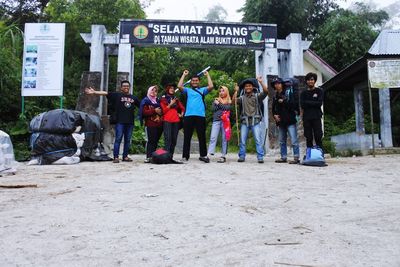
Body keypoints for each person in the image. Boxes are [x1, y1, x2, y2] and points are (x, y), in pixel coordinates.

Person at [85, 80, 140, 163]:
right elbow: (105, 93)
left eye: (127, 86)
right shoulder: (117, 95)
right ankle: (116, 157)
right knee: (118, 139)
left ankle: (125, 156)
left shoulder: (134, 98)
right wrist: (94, 92)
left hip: (130, 122)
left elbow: (141, 106)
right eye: (124, 86)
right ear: (121, 87)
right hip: (120, 122)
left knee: (127, 140)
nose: (126, 87)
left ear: (129, 87)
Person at [177, 69, 214, 163]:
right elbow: (179, 86)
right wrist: (184, 75)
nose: (194, 82)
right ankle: (185, 156)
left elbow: (211, 86)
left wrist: (207, 75)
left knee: (202, 136)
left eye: (196, 80)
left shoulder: (202, 90)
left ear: (199, 82)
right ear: (191, 82)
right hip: (188, 115)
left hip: (200, 116)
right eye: (193, 81)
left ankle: (203, 155)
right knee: (187, 137)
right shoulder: (188, 90)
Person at [233, 76, 268, 163]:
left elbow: (266, 92)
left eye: (249, 86)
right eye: (246, 86)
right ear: (244, 88)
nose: (248, 87)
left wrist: (261, 82)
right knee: (242, 140)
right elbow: (233, 101)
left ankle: (260, 157)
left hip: (255, 121)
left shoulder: (257, 96)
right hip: (244, 121)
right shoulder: (242, 97)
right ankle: (241, 156)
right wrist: (236, 91)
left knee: (258, 140)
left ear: (253, 87)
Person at [271, 78, 300, 164]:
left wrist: (283, 101)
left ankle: (296, 158)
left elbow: (293, 105)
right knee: (281, 141)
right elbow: (273, 108)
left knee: (294, 140)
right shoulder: (275, 95)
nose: (277, 85)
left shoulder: (288, 93)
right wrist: (274, 115)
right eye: (275, 84)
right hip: (281, 121)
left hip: (290, 120)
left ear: (282, 84)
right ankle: (283, 157)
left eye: (278, 83)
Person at [207, 85, 232, 163]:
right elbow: (213, 109)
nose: (221, 92)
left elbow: (227, 108)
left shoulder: (229, 101)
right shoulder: (216, 99)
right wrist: (221, 105)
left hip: (225, 121)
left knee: (224, 139)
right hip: (216, 120)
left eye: (223, 91)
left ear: (226, 92)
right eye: (220, 91)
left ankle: (223, 156)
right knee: (213, 137)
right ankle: (209, 154)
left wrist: (219, 104)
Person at [139, 86, 163, 163]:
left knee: (155, 141)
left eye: (155, 91)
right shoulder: (145, 101)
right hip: (150, 124)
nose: (153, 92)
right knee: (151, 141)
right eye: (152, 90)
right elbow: (144, 112)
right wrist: (154, 110)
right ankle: (148, 157)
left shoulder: (158, 101)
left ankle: (153, 156)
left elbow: (163, 111)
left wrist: (160, 112)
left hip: (159, 124)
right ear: (149, 91)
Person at [160, 83, 185, 157]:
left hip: (176, 121)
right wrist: (170, 104)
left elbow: (183, 108)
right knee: (168, 139)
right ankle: (166, 156)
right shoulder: (163, 99)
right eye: (170, 88)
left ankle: (171, 156)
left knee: (174, 140)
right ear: (167, 89)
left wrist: (181, 114)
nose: (172, 89)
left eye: (173, 88)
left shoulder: (176, 99)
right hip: (167, 120)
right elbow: (163, 111)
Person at [300, 72, 324, 149]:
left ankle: (320, 155)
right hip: (307, 118)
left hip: (316, 116)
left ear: (314, 81)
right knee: (308, 137)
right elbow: (302, 105)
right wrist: (314, 102)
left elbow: (319, 103)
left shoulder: (319, 91)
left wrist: (308, 102)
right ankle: (309, 156)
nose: (310, 81)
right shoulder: (303, 93)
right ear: (306, 81)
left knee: (318, 136)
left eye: (312, 79)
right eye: (308, 80)